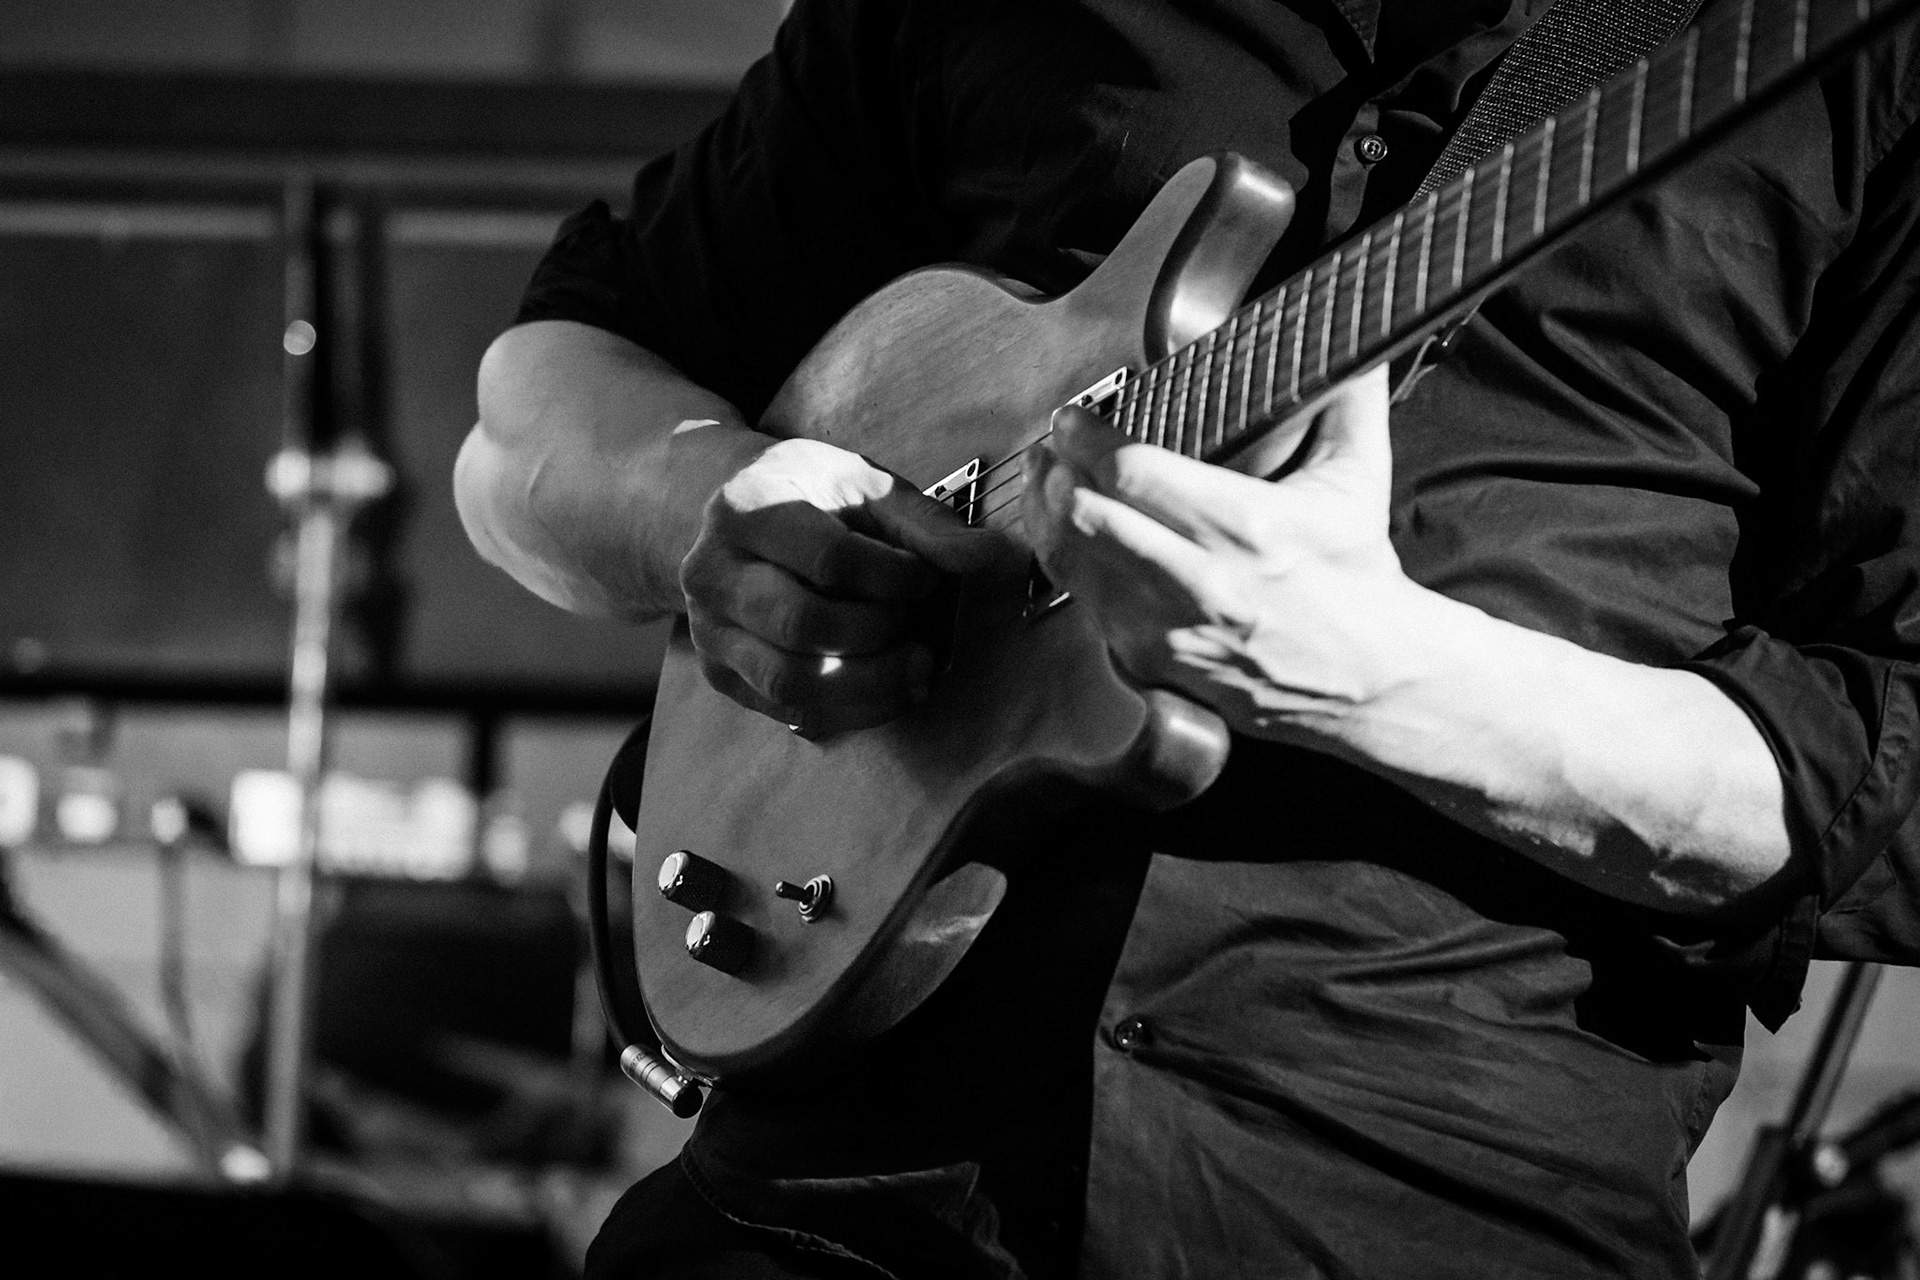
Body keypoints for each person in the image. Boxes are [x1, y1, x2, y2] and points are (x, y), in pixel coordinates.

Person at [455, 1, 1920, 1275]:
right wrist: (710, 503)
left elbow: (1896, 784)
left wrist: (1375, 675)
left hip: (1428, 1205)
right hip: (823, 1199)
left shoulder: (1844, 61)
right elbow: (528, 416)